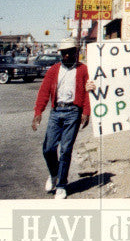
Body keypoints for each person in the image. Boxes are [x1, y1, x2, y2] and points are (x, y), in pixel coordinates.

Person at [32, 37, 90, 199]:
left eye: (69, 53)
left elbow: (87, 92)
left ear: (75, 53)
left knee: (65, 150)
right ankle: (54, 174)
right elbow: (44, 91)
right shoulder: (54, 70)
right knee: (48, 148)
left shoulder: (83, 69)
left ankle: (61, 185)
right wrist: (38, 112)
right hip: (56, 111)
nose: (66, 56)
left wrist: (86, 112)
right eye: (63, 53)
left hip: (73, 112)